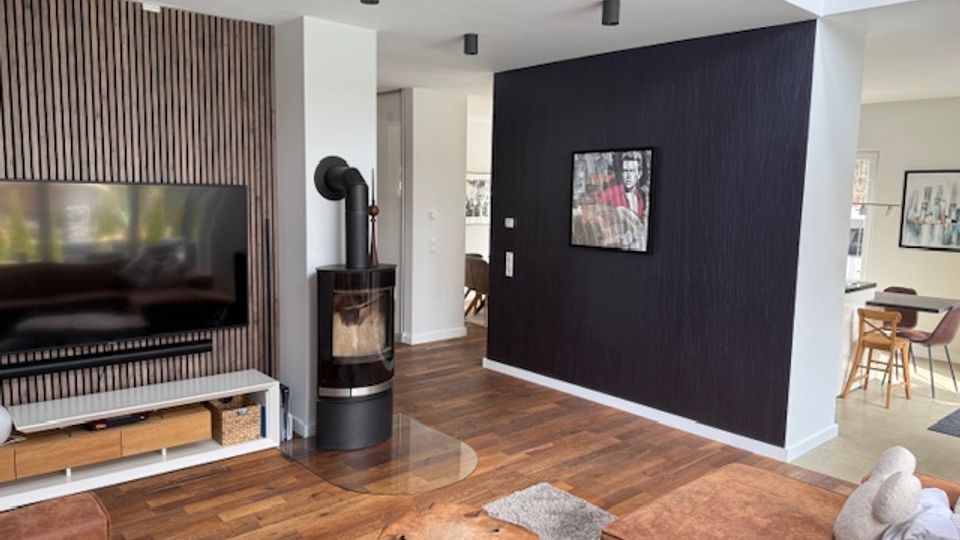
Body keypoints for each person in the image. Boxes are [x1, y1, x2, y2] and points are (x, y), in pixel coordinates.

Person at [597, 151, 646, 218]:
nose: (628, 176)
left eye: (632, 171)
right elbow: (596, 212)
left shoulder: (640, 199)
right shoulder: (610, 193)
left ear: (639, 174)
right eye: (625, 171)